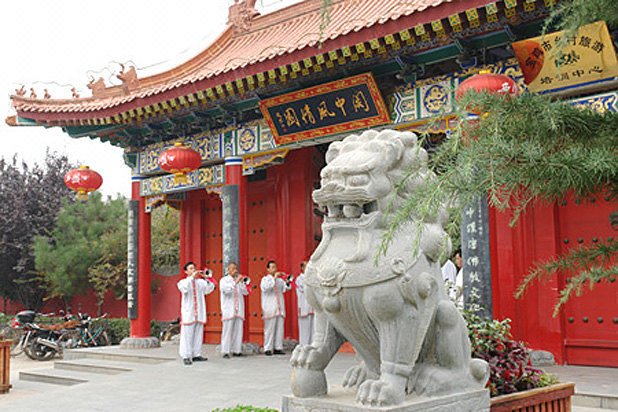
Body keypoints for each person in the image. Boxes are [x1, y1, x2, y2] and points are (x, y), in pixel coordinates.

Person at [177, 261, 216, 365]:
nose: (193, 270)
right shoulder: (182, 282)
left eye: (194, 268)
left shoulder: (200, 282)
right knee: (187, 335)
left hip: (199, 312)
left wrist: (207, 278)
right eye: (190, 268)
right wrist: (191, 278)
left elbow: (210, 289)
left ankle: (196, 354)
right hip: (189, 313)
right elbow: (184, 289)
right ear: (186, 271)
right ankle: (186, 356)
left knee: (198, 334)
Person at [260, 260, 292, 356]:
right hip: (270, 308)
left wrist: (287, 280)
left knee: (279, 328)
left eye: (275, 267)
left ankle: (278, 347)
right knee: (269, 329)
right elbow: (267, 288)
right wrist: (274, 277)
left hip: (280, 307)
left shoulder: (279, 280)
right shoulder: (265, 279)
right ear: (268, 269)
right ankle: (268, 348)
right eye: (272, 267)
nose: (275, 269)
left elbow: (287, 288)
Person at [220, 261, 249, 359]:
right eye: (232, 269)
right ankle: (225, 351)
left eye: (235, 269)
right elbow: (227, 291)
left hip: (239, 309)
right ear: (228, 270)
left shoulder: (239, 281)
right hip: (229, 309)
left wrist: (242, 283)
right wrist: (235, 282)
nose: (234, 271)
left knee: (238, 330)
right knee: (227, 330)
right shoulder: (224, 280)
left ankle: (237, 350)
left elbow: (246, 292)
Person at [295, 261, 314, 346]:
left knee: (313, 328)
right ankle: (303, 345)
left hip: (312, 306)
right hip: (304, 306)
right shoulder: (299, 279)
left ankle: (312, 345)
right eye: (307, 267)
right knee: (304, 328)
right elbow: (305, 288)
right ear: (302, 268)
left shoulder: (312, 278)